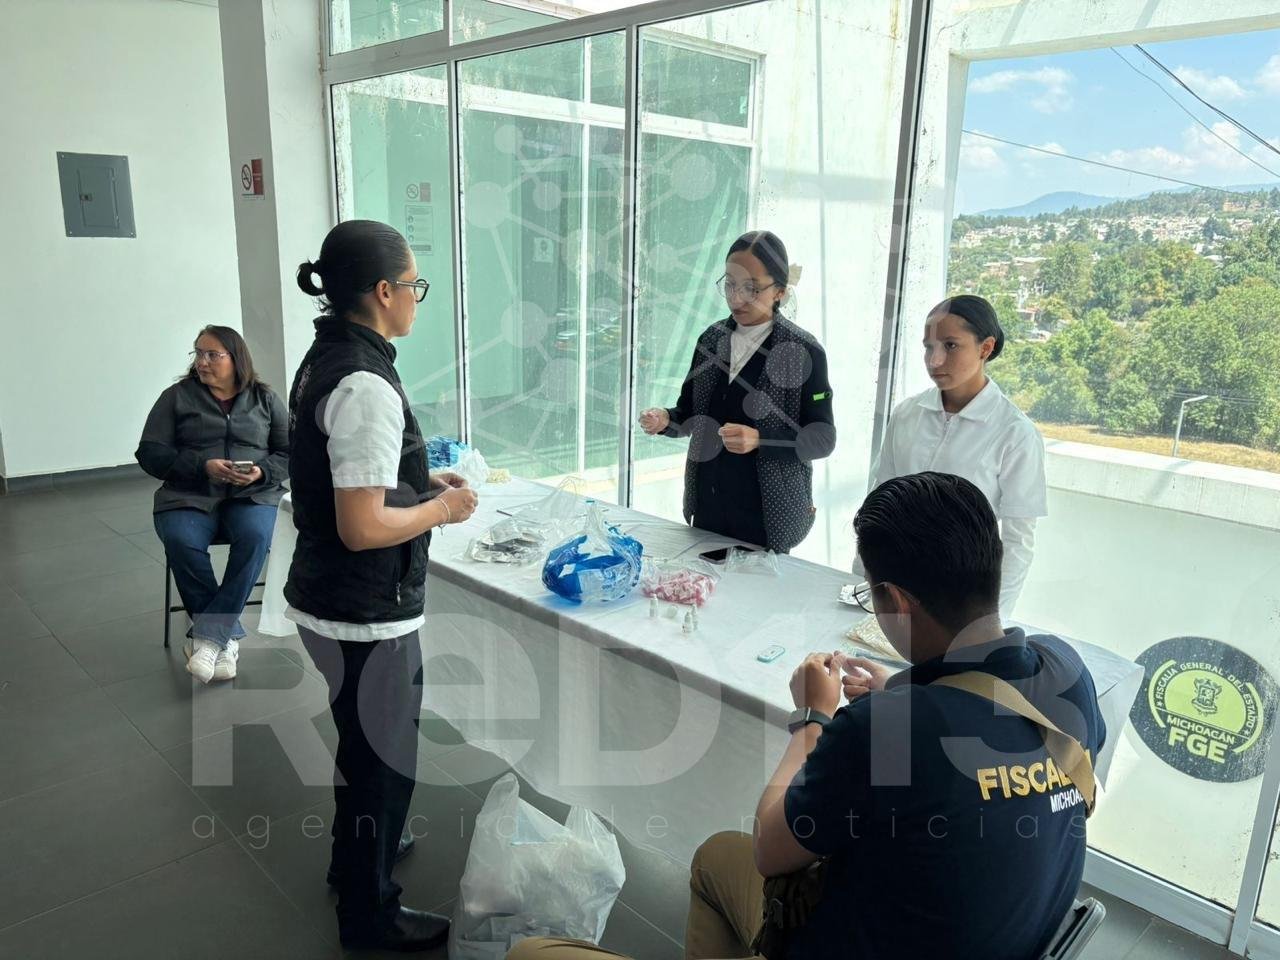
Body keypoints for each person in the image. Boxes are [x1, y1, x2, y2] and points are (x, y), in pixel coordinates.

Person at [507, 471, 1104, 960]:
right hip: (999, 936)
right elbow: (983, 732)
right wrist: (900, 691)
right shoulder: (1066, 675)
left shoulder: (888, 730)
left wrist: (812, 718)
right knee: (717, 857)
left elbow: (771, 849)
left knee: (529, 955)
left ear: (895, 600)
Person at [287, 219, 479, 952]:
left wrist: (414, 479)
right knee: (382, 765)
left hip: (326, 600)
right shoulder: (365, 381)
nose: (417, 300)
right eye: (414, 287)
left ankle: (356, 861)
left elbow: (343, 471)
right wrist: (442, 507)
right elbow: (363, 526)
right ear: (382, 292)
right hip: (364, 609)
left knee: (362, 750)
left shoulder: (329, 354)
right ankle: (370, 916)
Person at [639, 230, 835, 554]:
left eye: (751, 288)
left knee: (752, 603)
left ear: (780, 292)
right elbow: (688, 415)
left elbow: (822, 439)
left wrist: (760, 439)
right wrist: (664, 420)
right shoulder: (710, 340)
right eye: (730, 284)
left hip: (766, 518)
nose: (737, 298)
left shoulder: (804, 351)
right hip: (707, 508)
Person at [870, 294, 1046, 618]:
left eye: (950, 346)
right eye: (928, 347)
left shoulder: (1014, 433)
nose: (934, 361)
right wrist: (868, 579)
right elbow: (880, 504)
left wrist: (992, 618)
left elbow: (1018, 542)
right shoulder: (907, 414)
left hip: (962, 599)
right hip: (896, 586)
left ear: (985, 348)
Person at [136, 326, 288, 683]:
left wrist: (261, 473)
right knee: (180, 539)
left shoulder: (264, 399)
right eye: (198, 354)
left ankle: (208, 639)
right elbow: (150, 452)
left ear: (236, 360)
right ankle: (223, 636)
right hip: (189, 494)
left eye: (212, 355)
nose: (201, 362)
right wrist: (201, 467)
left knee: (254, 537)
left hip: (251, 495)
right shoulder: (176, 397)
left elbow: (291, 451)